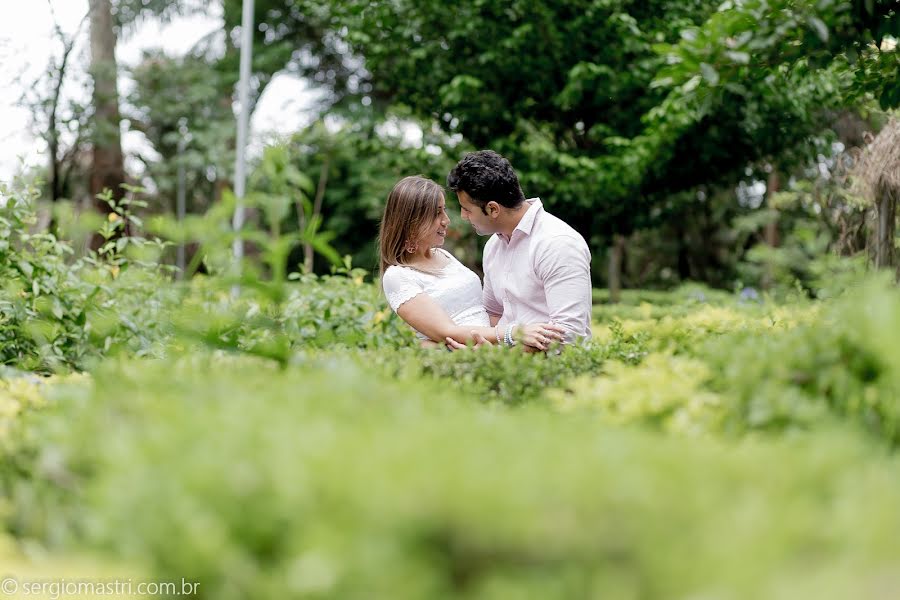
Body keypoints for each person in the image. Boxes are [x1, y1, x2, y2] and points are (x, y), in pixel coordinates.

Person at [378, 175, 565, 350]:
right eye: (436, 213)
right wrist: (515, 332)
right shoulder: (398, 276)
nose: (446, 220)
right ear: (411, 222)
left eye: (444, 211)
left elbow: (481, 311)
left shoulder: (444, 256)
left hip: (489, 349)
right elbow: (446, 332)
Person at [445, 150, 592, 348]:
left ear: (493, 209)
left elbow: (569, 336)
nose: (463, 216)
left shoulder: (557, 243)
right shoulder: (493, 246)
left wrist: (499, 357)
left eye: (467, 209)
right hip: (503, 367)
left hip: (549, 370)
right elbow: (492, 314)